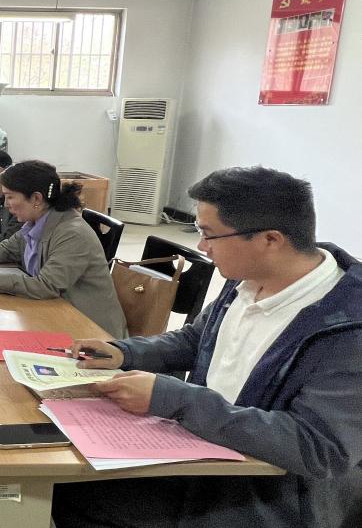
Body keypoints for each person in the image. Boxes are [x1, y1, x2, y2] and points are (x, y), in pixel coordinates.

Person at [53, 166, 362, 527]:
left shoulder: (347, 328)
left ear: (270, 240)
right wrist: (125, 352)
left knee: (66, 496)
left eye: (209, 234)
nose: (202, 246)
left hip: (261, 498)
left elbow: (319, 448)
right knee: (61, 476)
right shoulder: (248, 276)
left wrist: (176, 399)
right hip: (203, 449)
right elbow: (196, 339)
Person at [0, 159, 126, 338]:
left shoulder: (72, 233)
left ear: (36, 199)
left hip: (89, 329)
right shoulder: (37, 221)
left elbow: (45, 285)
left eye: (10, 197)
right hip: (53, 312)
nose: (6, 205)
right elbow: (7, 248)